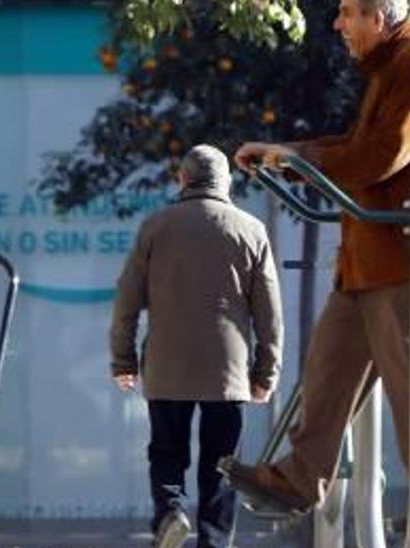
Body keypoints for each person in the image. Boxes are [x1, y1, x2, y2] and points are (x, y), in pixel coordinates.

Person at [221, 0, 410, 530]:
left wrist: (298, 158)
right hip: (372, 254)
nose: (339, 25)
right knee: (327, 371)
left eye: (349, 13)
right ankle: (299, 480)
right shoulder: (394, 68)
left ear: (381, 18)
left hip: (406, 254)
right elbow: (361, 147)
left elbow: (381, 155)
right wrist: (290, 153)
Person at [110, 144, 284, 548]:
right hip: (229, 369)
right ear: (226, 183)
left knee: (166, 452)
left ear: (182, 180)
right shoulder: (251, 229)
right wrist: (265, 373)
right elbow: (269, 314)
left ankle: (170, 512)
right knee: (221, 462)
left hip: (167, 365)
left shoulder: (155, 227)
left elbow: (126, 302)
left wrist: (123, 360)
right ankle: (214, 539)